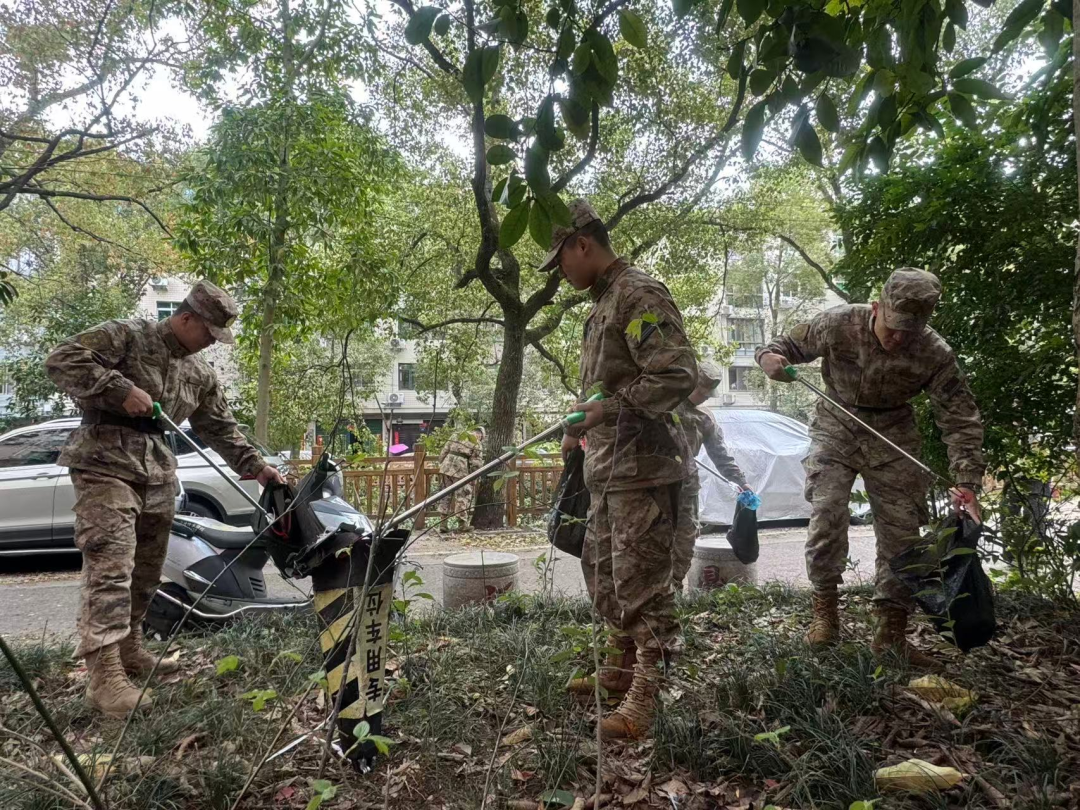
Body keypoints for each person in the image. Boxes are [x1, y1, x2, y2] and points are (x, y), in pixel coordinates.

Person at [45, 280, 284, 717]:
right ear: (186, 317)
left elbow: (220, 428)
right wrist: (119, 390)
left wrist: (257, 467)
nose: (211, 343)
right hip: (104, 462)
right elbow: (61, 359)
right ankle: (104, 677)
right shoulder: (126, 335)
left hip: (157, 471)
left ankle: (131, 648)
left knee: (147, 568)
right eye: (208, 333)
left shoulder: (199, 373)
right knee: (111, 564)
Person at [756, 268, 984, 669]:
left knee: (902, 535)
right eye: (892, 328)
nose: (897, 339)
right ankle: (825, 614)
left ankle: (890, 634)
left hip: (894, 434)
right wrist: (769, 360)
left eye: (908, 332)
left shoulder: (935, 352)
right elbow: (783, 346)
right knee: (827, 514)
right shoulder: (838, 322)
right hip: (836, 426)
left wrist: (967, 481)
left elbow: (960, 418)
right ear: (877, 307)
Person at [549, 199, 697, 740]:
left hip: (643, 468)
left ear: (582, 244)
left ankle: (645, 698)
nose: (560, 272)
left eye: (560, 259)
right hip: (609, 467)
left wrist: (608, 410)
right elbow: (609, 382)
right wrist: (580, 424)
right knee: (605, 573)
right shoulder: (605, 300)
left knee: (643, 582)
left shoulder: (639, 294)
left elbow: (677, 375)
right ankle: (618, 667)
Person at [672, 361, 749, 588]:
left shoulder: (704, 417)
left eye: (709, 393)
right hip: (654, 486)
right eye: (703, 391)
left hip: (686, 488)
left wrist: (741, 482)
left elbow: (720, 455)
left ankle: (675, 591)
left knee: (685, 541)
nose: (706, 397)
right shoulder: (664, 407)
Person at [437, 426, 485, 525]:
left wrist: (442, 464)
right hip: (461, 470)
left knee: (445, 494)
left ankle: (443, 523)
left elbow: (444, 451)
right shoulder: (476, 442)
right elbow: (476, 463)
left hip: (446, 467)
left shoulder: (457, 435)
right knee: (462, 495)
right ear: (480, 435)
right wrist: (473, 476)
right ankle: (462, 524)